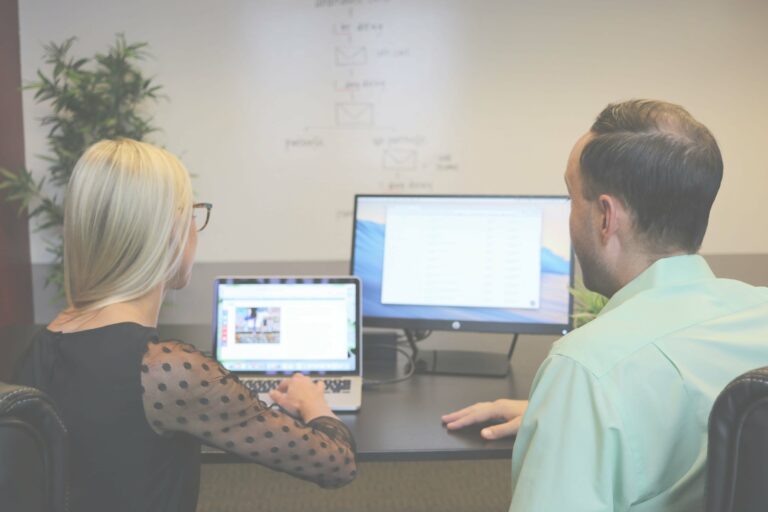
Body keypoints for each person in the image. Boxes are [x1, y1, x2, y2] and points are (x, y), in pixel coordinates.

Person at [442, 99, 768, 511]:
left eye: (571, 198)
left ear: (605, 217)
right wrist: (571, 420)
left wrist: (579, 404)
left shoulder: (586, 369)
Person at [13, 139, 357, 512]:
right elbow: (335, 463)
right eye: (192, 214)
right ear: (171, 232)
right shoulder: (167, 372)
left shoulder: (40, 348)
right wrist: (314, 404)